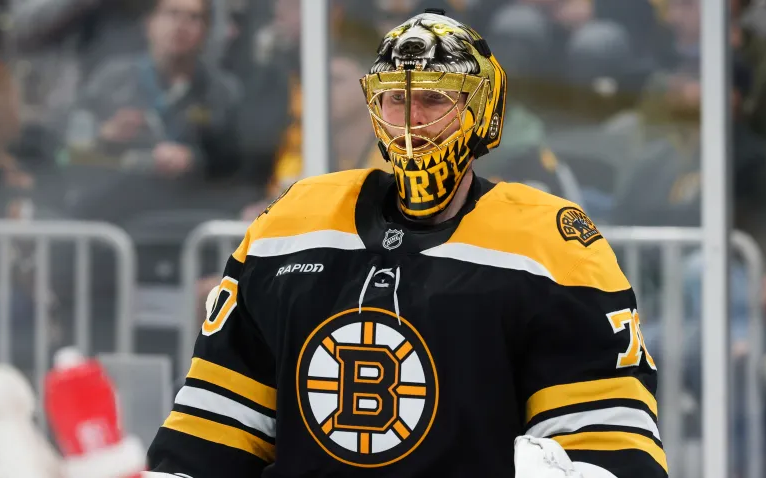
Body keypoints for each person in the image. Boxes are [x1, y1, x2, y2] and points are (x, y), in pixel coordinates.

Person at [146, 9, 667, 478]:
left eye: (434, 98)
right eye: (397, 98)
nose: (413, 120)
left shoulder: (549, 244)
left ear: (481, 110)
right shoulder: (290, 226)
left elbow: (608, 445)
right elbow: (213, 427)